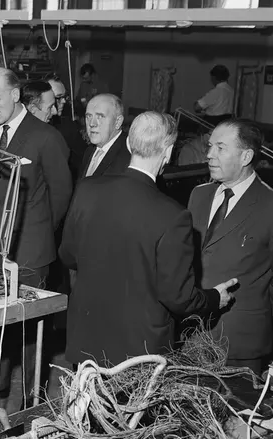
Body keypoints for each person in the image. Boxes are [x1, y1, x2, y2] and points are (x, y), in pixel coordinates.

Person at [60, 111, 236, 366]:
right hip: (137, 353)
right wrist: (213, 298)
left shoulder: (87, 189)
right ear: (169, 151)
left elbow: (68, 255)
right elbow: (178, 297)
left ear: (129, 144)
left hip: (86, 338)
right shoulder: (173, 215)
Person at [0, 68, 72, 410]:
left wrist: (36, 231)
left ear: (16, 95)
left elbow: (61, 195)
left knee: (31, 333)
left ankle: (33, 400)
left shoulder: (46, 136)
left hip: (29, 249)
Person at [188, 119, 273, 374]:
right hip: (191, 337)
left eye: (221, 148)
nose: (209, 155)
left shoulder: (268, 204)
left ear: (246, 156)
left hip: (240, 345)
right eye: (210, 146)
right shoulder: (198, 195)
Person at [78, 93, 130, 179]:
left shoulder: (130, 156)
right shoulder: (89, 150)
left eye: (100, 116)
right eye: (89, 116)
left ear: (118, 122)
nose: (92, 123)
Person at [47, 76, 87, 179]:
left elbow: (83, 159)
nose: (64, 101)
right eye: (58, 97)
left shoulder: (68, 127)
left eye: (65, 97)